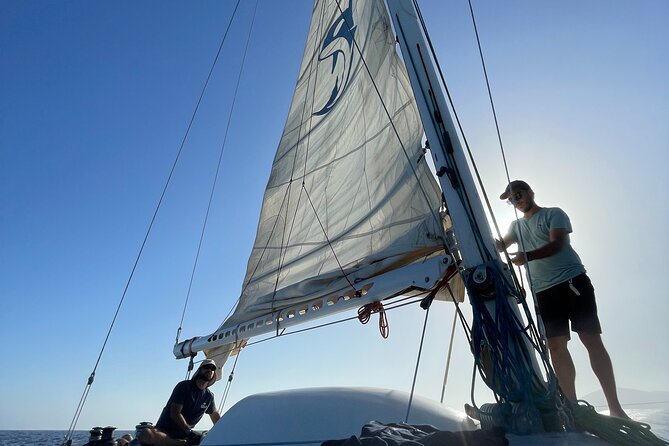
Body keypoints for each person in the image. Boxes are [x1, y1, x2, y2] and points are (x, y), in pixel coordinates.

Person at [496, 180, 629, 419]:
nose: (517, 200)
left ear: (530, 192)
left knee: (591, 340)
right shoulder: (515, 227)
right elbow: (499, 245)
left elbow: (557, 244)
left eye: (519, 194)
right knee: (556, 348)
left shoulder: (553, 214)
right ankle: (572, 409)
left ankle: (615, 408)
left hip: (572, 283)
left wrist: (528, 256)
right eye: (512, 199)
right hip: (544, 292)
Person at [139, 359, 221, 445]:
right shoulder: (184, 387)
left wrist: (225, 430)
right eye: (206, 367)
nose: (209, 370)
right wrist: (188, 431)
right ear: (199, 370)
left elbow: (215, 415)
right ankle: (177, 444)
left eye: (212, 369)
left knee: (206, 438)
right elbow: (175, 413)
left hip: (185, 435)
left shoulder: (209, 397)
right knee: (145, 434)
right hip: (165, 432)